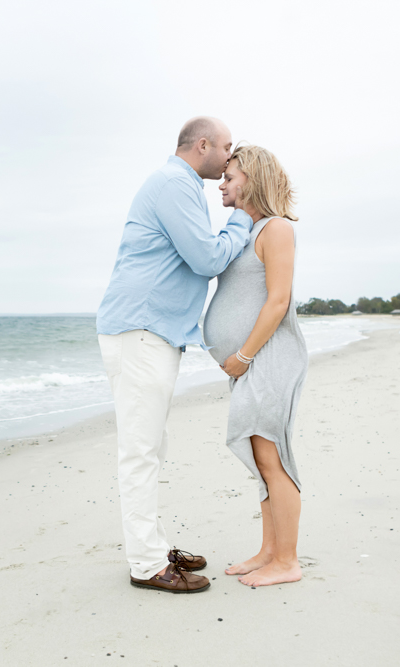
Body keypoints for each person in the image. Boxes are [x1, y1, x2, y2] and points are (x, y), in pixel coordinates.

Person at [96, 117, 254, 593]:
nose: (229, 156)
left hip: (150, 331)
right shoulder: (174, 184)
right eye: (226, 147)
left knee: (151, 445)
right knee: (141, 451)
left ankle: (153, 545)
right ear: (202, 145)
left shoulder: (179, 185)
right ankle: (146, 564)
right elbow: (207, 258)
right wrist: (242, 219)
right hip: (141, 330)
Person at [203, 144, 308, 587]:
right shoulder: (245, 231)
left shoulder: (276, 228)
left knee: (272, 456)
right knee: (260, 459)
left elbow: (278, 301)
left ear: (253, 179)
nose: (222, 185)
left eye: (230, 177)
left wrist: (244, 356)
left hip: (268, 359)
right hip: (251, 362)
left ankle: (287, 561)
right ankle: (269, 551)